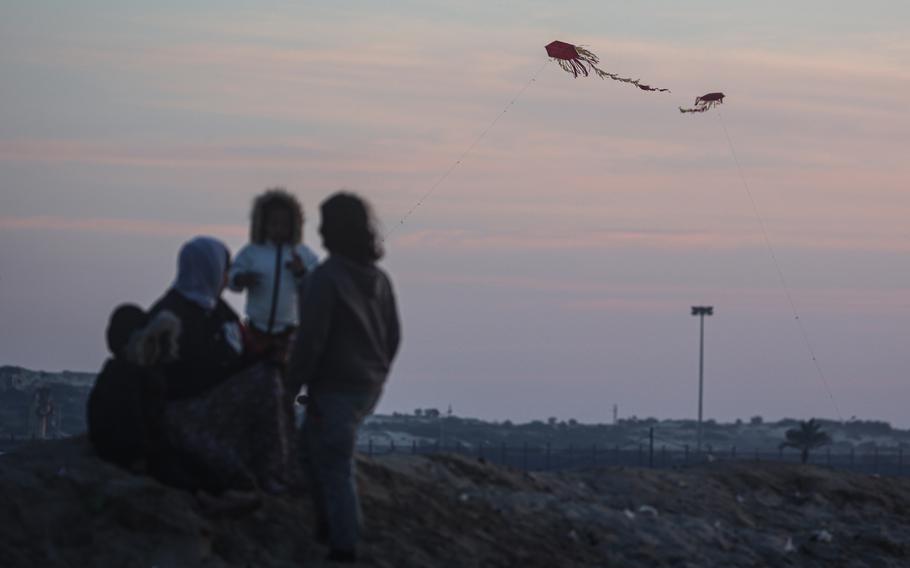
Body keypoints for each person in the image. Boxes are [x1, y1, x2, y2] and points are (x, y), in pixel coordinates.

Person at [288, 192, 401, 563]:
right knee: (309, 451)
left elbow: (311, 341)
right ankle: (330, 527)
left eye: (323, 223)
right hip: (365, 386)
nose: (318, 231)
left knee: (334, 464)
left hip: (335, 388)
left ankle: (343, 546)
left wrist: (289, 387)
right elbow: (393, 335)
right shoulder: (379, 279)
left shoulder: (328, 278)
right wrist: (378, 371)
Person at [150, 236, 290, 494]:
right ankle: (271, 476)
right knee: (266, 381)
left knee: (272, 375)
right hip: (183, 415)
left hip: (214, 407)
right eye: (224, 270)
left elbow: (244, 350)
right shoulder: (170, 314)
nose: (226, 279)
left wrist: (269, 353)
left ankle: (272, 472)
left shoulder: (219, 310)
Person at [228, 188, 319, 365]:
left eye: (284, 225)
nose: (279, 229)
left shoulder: (301, 253)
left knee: (284, 380)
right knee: (252, 374)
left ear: (294, 225)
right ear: (263, 224)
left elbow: (317, 283)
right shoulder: (252, 252)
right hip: (255, 328)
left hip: (288, 329)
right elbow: (232, 274)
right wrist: (240, 279)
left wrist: (301, 272)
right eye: (273, 224)